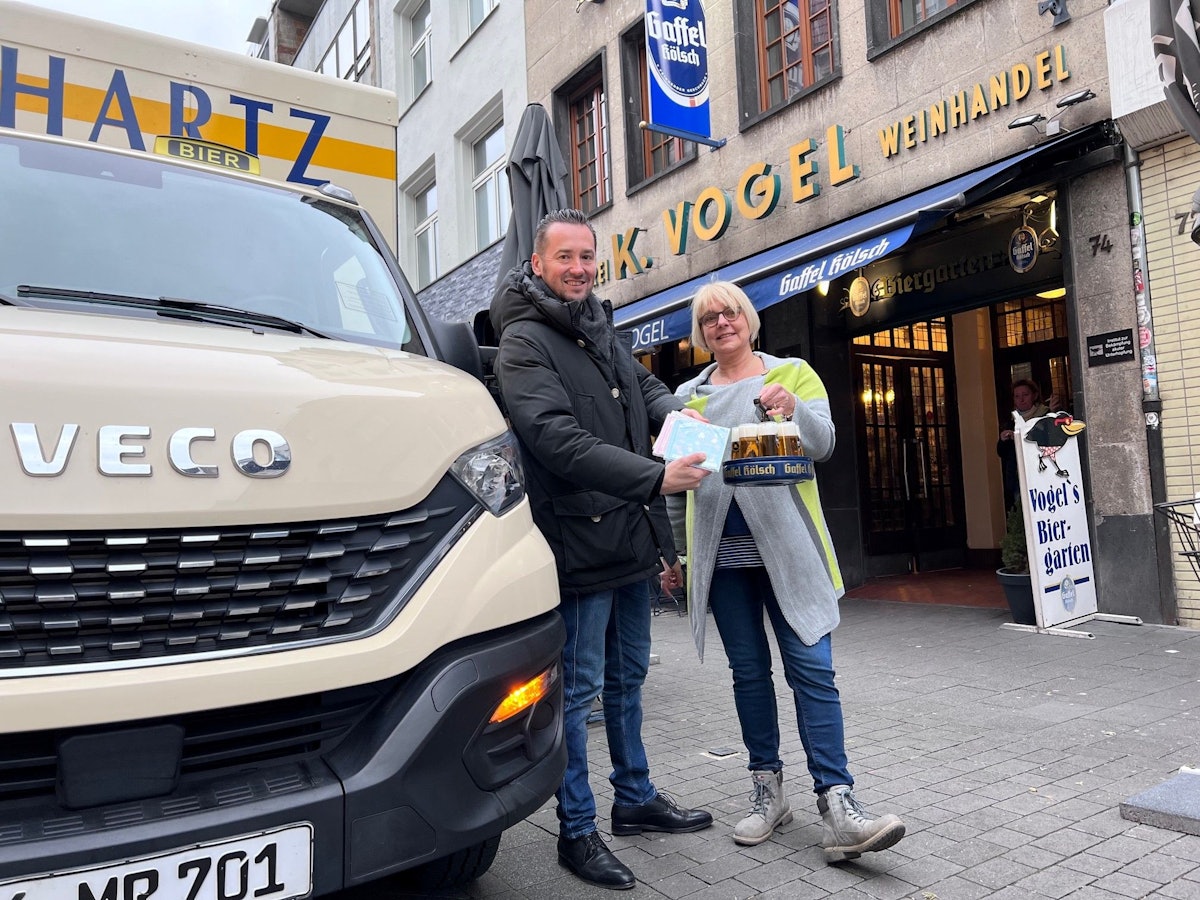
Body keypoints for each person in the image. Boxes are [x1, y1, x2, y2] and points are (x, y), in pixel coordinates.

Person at [490, 209, 714, 891]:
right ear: (538, 264)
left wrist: (676, 410)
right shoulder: (524, 341)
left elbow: (642, 387)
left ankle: (636, 798)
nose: (580, 268)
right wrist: (655, 475)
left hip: (628, 539)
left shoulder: (595, 328)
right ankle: (577, 829)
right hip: (578, 545)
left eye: (588, 257)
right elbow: (555, 439)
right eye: (566, 258)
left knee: (628, 681)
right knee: (580, 692)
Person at [665, 281, 906, 861]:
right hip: (723, 562)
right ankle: (767, 790)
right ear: (700, 334)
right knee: (749, 675)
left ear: (749, 320)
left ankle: (838, 801)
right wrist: (678, 556)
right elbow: (678, 490)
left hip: (791, 555)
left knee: (813, 674)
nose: (722, 323)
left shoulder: (793, 373)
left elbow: (823, 446)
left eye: (731, 313)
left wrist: (793, 409)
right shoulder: (687, 399)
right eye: (709, 319)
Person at [996, 378, 1057, 510]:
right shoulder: (1011, 421)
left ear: (1034, 396)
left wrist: (1052, 415)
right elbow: (1002, 453)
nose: (1021, 399)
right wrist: (1003, 440)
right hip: (1018, 478)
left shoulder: (1046, 414)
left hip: (1043, 475)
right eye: (1017, 396)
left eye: (1025, 395)